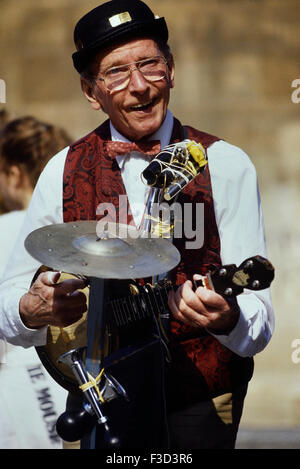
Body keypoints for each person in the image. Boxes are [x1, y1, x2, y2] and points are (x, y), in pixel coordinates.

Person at [0, 0, 274, 449]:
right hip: (98, 394)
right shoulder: (62, 170)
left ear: (172, 68)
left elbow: (259, 321)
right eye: (117, 73)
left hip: (201, 397)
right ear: (92, 92)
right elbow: (9, 301)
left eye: (151, 65)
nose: (141, 87)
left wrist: (229, 318)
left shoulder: (227, 165)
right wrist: (30, 309)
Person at [0, 116, 72, 449]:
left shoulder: (5, 229)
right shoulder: (73, 231)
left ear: (13, 174)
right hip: (72, 381)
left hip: (19, 392)